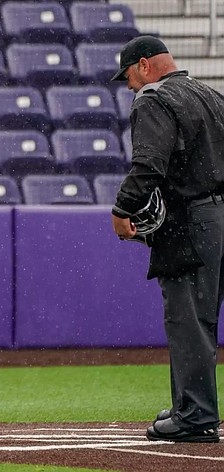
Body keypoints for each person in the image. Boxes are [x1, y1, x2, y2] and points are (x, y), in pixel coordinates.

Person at [110, 35, 223, 444]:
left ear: (143, 65)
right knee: (203, 319)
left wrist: (122, 210)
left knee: (187, 320)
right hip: (218, 216)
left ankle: (195, 416)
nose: (128, 87)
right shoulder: (210, 94)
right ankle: (189, 406)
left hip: (189, 218)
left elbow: (149, 165)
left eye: (128, 76)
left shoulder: (155, 98)